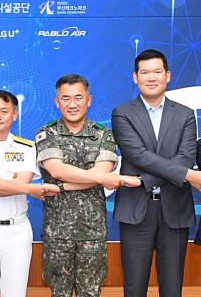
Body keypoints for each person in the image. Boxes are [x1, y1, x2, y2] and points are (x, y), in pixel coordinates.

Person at [36, 74, 140, 297]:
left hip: (93, 232)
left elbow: (101, 172)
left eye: (78, 97)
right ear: (57, 102)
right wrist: (100, 178)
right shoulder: (47, 133)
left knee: (91, 293)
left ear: (89, 100)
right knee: (59, 293)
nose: (72, 104)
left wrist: (61, 187)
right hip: (57, 233)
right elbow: (57, 170)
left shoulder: (104, 134)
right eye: (65, 98)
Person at [112, 49, 198, 297]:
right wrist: (187, 175)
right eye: (145, 72)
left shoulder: (185, 114)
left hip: (175, 209)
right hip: (136, 210)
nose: (151, 78)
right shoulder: (122, 113)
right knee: (134, 287)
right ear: (135, 77)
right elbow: (138, 155)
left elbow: (185, 158)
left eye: (157, 72)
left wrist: (143, 181)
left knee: (172, 288)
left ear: (167, 75)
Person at [0, 90, 59, 297]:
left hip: (18, 230)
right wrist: (31, 189)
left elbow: (16, 184)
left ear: (14, 114)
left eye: (4, 111)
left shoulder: (27, 148)